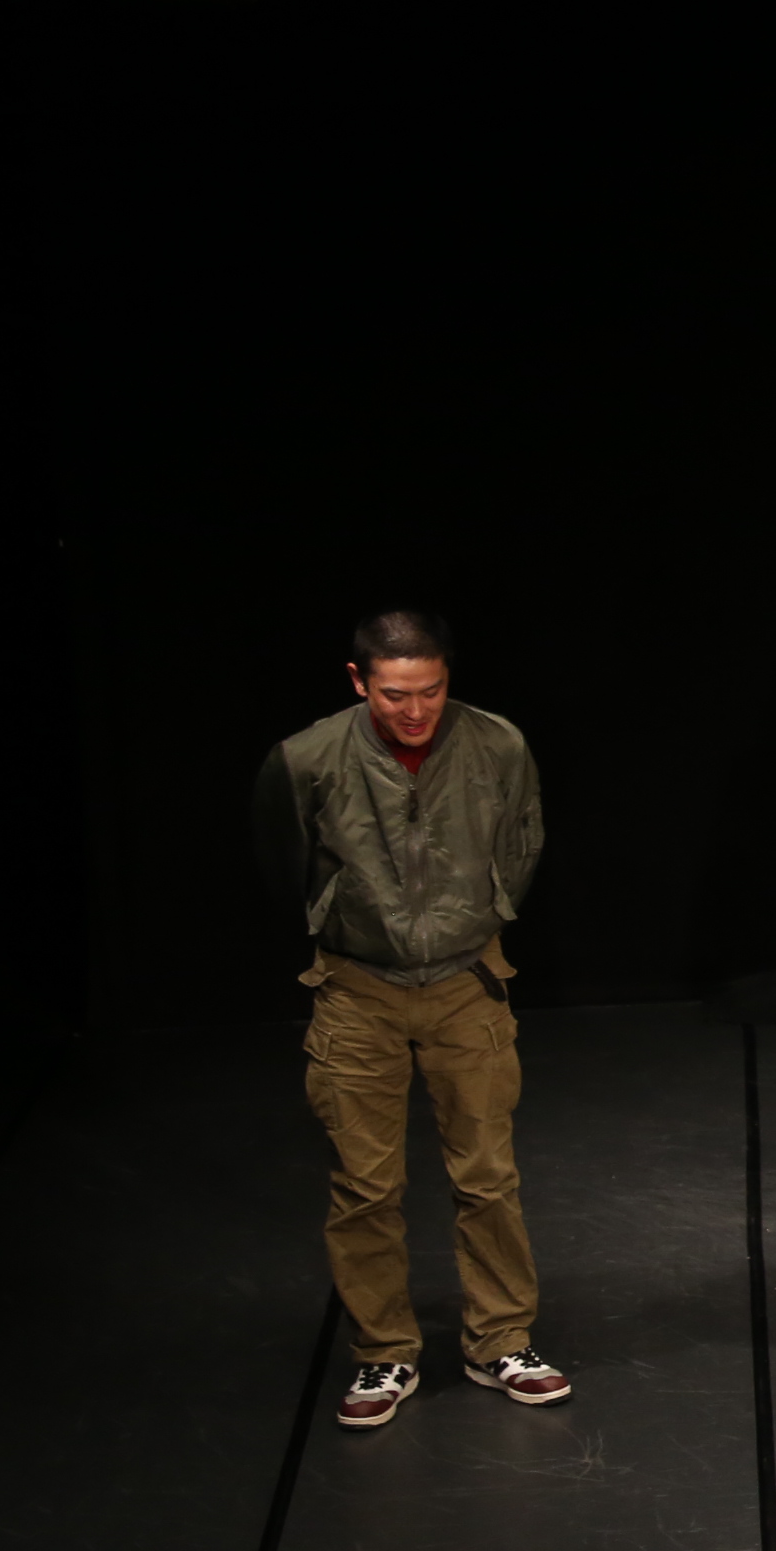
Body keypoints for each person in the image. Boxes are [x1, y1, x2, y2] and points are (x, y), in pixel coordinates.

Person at [255, 606, 568, 1431]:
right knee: (364, 1184)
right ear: (359, 681)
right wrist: (344, 921)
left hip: (467, 982)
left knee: (487, 1173)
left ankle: (500, 1338)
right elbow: (284, 863)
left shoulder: (496, 744)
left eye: (429, 691)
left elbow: (523, 840)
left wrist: (484, 912)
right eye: (396, 694)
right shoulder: (307, 759)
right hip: (358, 989)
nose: (415, 710)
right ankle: (383, 1350)